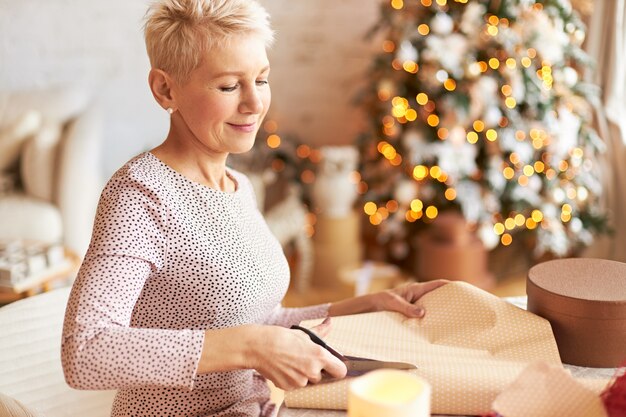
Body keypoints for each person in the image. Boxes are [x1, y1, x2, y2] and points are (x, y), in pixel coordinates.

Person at [60, 0, 447, 416]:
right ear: (165, 89)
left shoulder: (238, 187)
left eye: (261, 80)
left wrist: (368, 304)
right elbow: (85, 351)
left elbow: (260, 318)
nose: (254, 103)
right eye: (229, 86)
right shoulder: (140, 195)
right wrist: (251, 346)